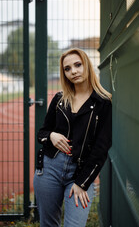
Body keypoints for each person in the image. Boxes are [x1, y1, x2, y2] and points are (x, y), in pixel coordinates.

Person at [34, 48, 112, 227]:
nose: (73, 71)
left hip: (79, 172)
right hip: (49, 169)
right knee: (48, 224)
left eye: (78, 65)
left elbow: (101, 148)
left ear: (87, 65)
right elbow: (42, 133)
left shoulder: (103, 103)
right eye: (67, 69)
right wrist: (52, 136)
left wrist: (82, 182)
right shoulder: (60, 99)